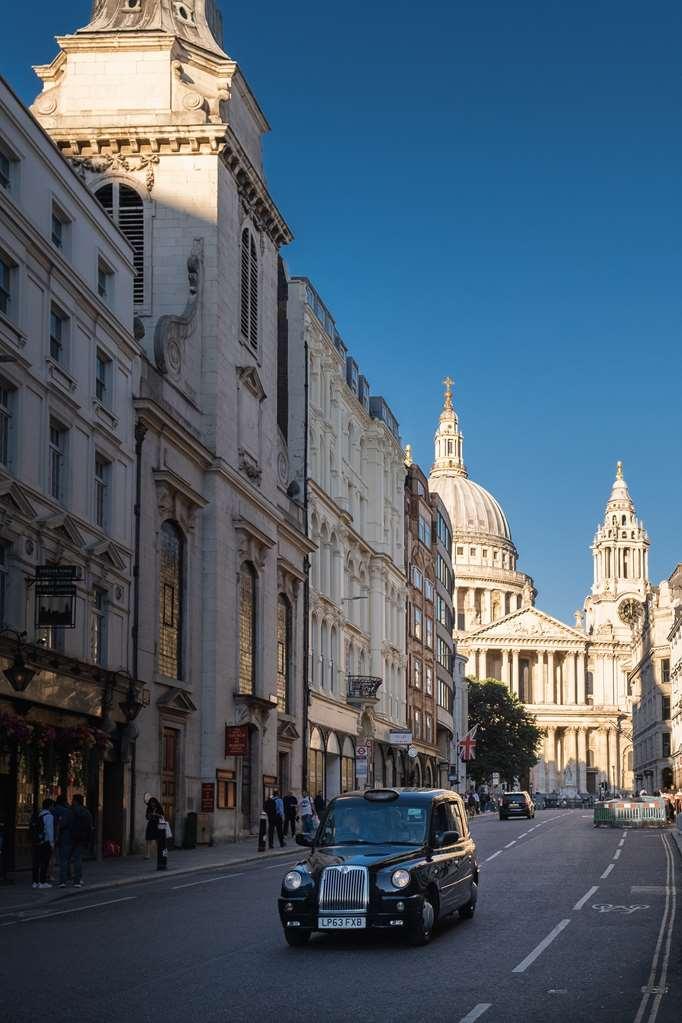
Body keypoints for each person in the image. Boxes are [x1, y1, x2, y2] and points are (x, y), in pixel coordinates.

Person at [68, 794, 93, 888]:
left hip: (70, 837)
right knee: (78, 859)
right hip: (81, 837)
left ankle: (65, 879)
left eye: (73, 800)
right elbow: (89, 826)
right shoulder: (86, 812)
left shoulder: (70, 811)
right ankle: (77, 880)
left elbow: (66, 823)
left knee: (66, 859)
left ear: (75, 801)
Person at [30, 798, 55, 889]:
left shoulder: (38, 814)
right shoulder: (49, 816)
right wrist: (51, 843)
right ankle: (42, 881)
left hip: (37, 841)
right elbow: (49, 830)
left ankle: (35, 882)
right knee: (44, 862)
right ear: (50, 806)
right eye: (52, 806)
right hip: (45, 842)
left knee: (36, 862)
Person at [53, 793, 74, 888]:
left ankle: (46, 877)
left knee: (56, 859)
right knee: (65, 859)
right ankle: (64, 879)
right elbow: (64, 824)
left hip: (53, 836)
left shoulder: (53, 810)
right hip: (66, 837)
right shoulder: (66, 811)